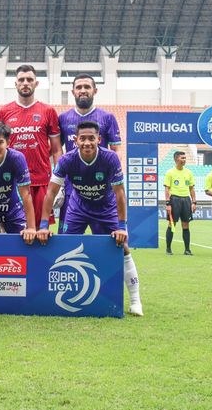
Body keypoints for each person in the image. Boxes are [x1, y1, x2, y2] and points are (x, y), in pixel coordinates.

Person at [37, 121, 143, 316]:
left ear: (99, 140)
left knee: (124, 247)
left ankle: (136, 301)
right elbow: (51, 192)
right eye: (82, 138)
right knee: (65, 247)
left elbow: (120, 193)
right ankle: (60, 296)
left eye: (91, 138)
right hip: (78, 207)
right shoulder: (67, 160)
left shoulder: (110, 158)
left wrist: (122, 227)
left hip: (106, 207)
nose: (87, 142)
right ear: (75, 140)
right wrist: (44, 226)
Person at [0, 65, 62, 229]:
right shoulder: (3, 112)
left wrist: (60, 183)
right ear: (15, 83)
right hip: (11, 182)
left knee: (39, 231)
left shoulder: (48, 111)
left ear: (36, 83)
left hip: (40, 182)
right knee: (9, 232)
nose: (25, 83)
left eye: (29, 80)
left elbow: (56, 150)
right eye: (21, 80)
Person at [58, 73, 121, 232]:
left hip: (100, 189)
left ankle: (123, 258)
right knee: (66, 240)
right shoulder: (63, 118)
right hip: (71, 187)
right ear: (73, 92)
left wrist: (114, 181)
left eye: (87, 87)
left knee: (105, 242)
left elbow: (116, 151)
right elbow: (57, 151)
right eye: (79, 87)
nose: (83, 90)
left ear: (95, 90)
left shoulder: (107, 117)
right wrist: (59, 182)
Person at [163, 151, 197, 255]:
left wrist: (194, 202)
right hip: (174, 200)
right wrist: (168, 204)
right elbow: (167, 189)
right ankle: (168, 249)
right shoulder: (170, 172)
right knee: (172, 224)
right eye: (182, 158)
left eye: (185, 158)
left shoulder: (189, 172)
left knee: (186, 225)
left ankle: (187, 249)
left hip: (186, 199)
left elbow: (191, 188)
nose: (184, 160)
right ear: (176, 159)